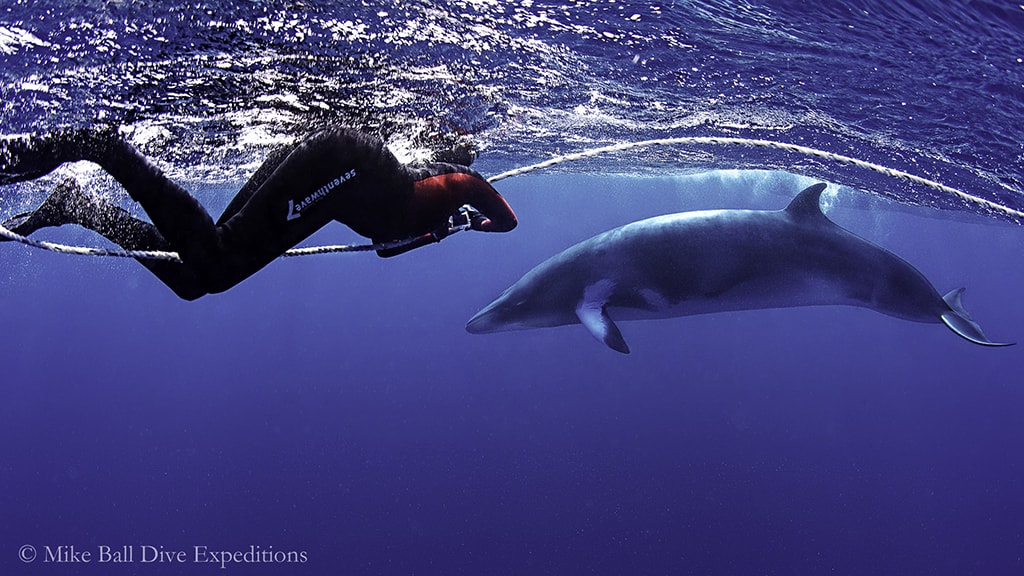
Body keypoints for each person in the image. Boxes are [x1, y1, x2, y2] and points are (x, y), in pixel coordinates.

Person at [0, 126, 517, 300]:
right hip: (336, 162)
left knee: (193, 279)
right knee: (218, 265)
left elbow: (386, 248)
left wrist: (443, 230)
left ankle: (79, 206)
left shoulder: (420, 213)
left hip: (330, 179)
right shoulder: (453, 184)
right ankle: (107, 150)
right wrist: (470, 223)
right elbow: (507, 220)